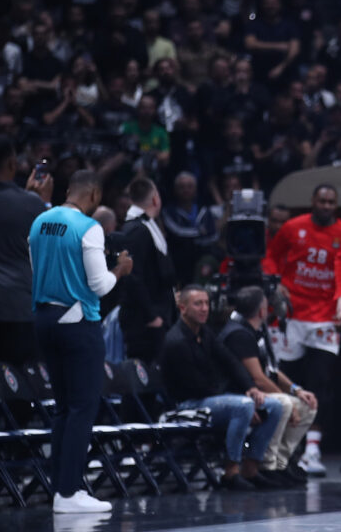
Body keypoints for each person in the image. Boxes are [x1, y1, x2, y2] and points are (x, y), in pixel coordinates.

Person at [29, 170, 133, 513]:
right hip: (77, 323)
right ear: (95, 195)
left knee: (63, 407)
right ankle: (70, 492)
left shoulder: (40, 222)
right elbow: (100, 285)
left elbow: (37, 269)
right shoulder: (88, 227)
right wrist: (119, 269)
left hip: (43, 318)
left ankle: (61, 488)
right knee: (82, 407)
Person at [159, 285, 285, 491]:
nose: (204, 308)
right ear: (182, 308)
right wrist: (240, 402)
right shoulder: (176, 342)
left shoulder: (205, 333)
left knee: (273, 406)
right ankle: (231, 471)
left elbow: (232, 362)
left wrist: (250, 388)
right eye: (197, 304)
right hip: (186, 404)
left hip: (211, 399)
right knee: (242, 406)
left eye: (207, 303)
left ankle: (251, 469)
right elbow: (197, 386)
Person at [265, 184, 341, 476]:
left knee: (321, 383)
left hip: (326, 317)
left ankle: (312, 450)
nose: (326, 206)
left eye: (331, 202)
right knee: (284, 377)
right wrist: (276, 285)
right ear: (312, 201)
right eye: (322, 201)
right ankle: (279, 444)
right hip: (292, 315)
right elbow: (271, 258)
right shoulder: (292, 228)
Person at [219, 286, 317, 487]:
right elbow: (258, 378)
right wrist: (289, 401)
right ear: (262, 311)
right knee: (286, 404)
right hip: (238, 393)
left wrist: (296, 390)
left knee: (306, 404)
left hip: (255, 393)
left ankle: (281, 463)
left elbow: (270, 370)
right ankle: (266, 464)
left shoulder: (256, 330)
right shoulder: (239, 334)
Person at [0, 135, 51, 368]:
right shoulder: (33, 204)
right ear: (13, 163)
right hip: (18, 309)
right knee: (18, 388)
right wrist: (43, 202)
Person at [118, 178, 177, 363]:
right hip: (145, 321)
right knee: (146, 378)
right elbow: (132, 277)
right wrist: (151, 316)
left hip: (156, 315)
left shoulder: (142, 227)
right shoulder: (137, 230)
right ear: (155, 200)